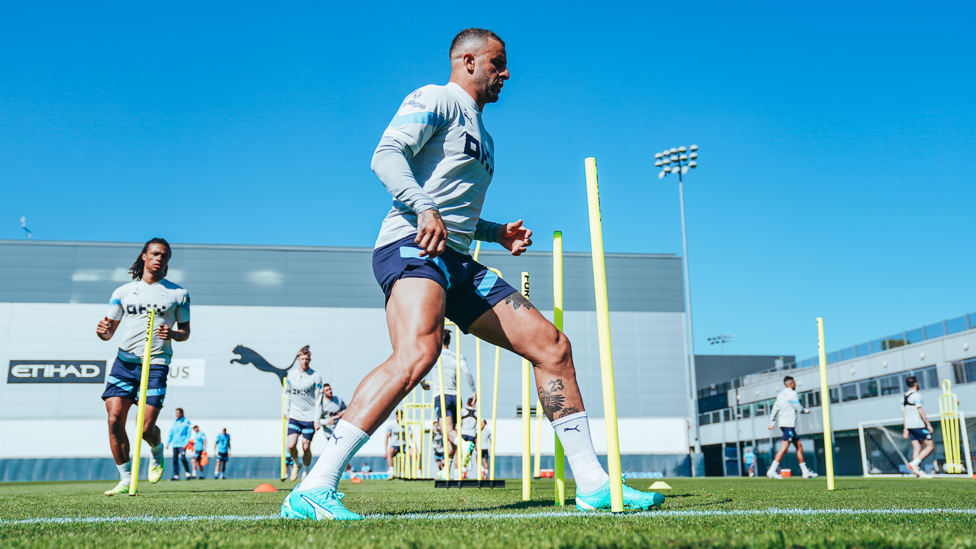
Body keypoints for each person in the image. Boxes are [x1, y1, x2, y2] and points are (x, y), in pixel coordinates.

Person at [280, 28, 664, 521]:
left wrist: (495, 231)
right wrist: (421, 208)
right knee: (418, 353)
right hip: (411, 246)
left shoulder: (485, 136)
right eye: (497, 64)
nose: (506, 74)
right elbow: (385, 156)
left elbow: (454, 210)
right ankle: (315, 486)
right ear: (467, 60)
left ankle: (593, 485)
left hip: (458, 259)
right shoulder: (435, 98)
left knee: (553, 347)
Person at [97, 238, 191, 496]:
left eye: (164, 256)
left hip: (157, 364)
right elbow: (109, 332)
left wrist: (172, 334)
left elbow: (185, 332)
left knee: (144, 429)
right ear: (144, 256)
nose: (159, 259)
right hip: (125, 363)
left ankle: (157, 449)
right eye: (155, 254)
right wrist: (102, 332)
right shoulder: (122, 292)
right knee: (115, 419)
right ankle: (125, 478)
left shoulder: (178, 293)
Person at [422, 329, 476, 475]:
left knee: (447, 431)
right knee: (451, 434)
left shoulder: (434, 355)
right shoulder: (457, 356)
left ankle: (464, 446)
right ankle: (446, 470)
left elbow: (422, 375)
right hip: (456, 397)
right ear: (449, 341)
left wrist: (424, 385)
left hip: (442, 396)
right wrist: (473, 390)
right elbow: (467, 372)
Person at [284, 346, 324, 481]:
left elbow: (319, 399)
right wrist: (286, 411)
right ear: (298, 360)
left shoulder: (315, 376)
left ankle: (306, 471)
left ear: (310, 360)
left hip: (309, 417)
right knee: (291, 445)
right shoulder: (291, 375)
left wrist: (317, 419)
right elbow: (288, 393)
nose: (305, 361)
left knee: (306, 446)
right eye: (302, 359)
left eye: (307, 359)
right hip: (295, 416)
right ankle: (296, 464)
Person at [766, 376, 817, 479]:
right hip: (788, 425)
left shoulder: (780, 395)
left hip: (784, 425)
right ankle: (771, 470)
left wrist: (772, 421)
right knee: (784, 448)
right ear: (792, 383)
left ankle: (805, 471)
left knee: (799, 447)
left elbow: (775, 408)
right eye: (794, 383)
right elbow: (798, 407)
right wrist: (806, 410)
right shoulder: (792, 394)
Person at [902, 376, 935, 478]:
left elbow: (904, 413)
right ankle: (914, 463)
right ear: (916, 383)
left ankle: (917, 471)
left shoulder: (904, 396)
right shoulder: (916, 395)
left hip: (910, 426)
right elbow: (920, 410)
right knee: (930, 446)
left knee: (917, 447)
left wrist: (905, 428)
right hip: (918, 425)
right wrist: (928, 424)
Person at [166, 407, 193, 480]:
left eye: (178, 413)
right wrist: (168, 443)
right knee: (175, 459)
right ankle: (176, 475)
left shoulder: (186, 422)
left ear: (182, 413)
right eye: (176, 413)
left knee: (182, 458)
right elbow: (171, 433)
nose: (177, 415)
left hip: (182, 444)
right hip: (175, 444)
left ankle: (187, 472)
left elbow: (188, 433)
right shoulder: (174, 422)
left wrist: (186, 443)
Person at [383, 411, 407, 479]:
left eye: (400, 415)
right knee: (389, 452)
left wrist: (414, 447)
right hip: (395, 445)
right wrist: (385, 450)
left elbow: (411, 436)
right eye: (398, 415)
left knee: (414, 453)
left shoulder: (405, 425)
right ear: (395, 416)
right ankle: (391, 471)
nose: (399, 417)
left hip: (404, 444)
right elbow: (386, 438)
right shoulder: (391, 425)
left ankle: (418, 474)